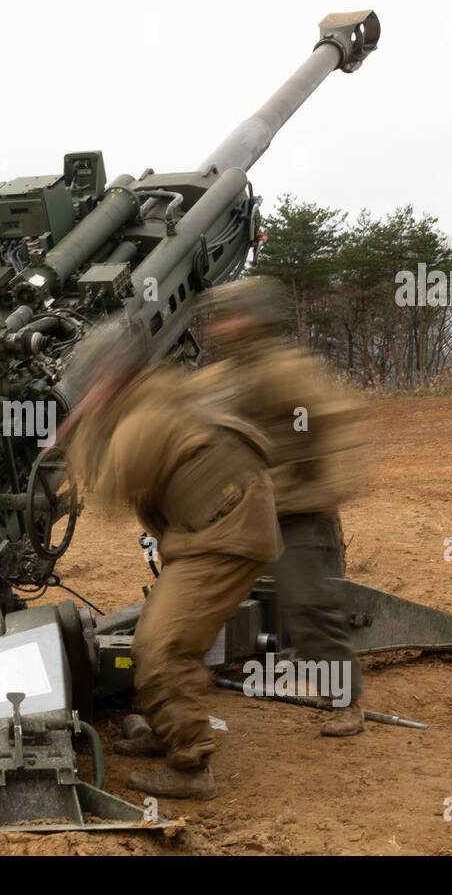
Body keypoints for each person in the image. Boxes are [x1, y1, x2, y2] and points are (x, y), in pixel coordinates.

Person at [62, 324, 282, 799]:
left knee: (163, 647)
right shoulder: (155, 391)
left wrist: (83, 428)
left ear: (109, 380)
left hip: (223, 536)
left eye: (93, 382)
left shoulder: (145, 416)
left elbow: (107, 488)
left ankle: (190, 765)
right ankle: (165, 732)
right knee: (155, 638)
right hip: (213, 528)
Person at [191, 276, 369, 735]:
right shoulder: (216, 380)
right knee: (195, 608)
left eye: (232, 315)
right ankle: (178, 715)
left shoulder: (286, 370)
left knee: (309, 606)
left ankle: (346, 701)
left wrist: (332, 486)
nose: (220, 327)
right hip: (235, 515)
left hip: (296, 513)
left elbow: (337, 422)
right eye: (218, 317)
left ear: (255, 319)